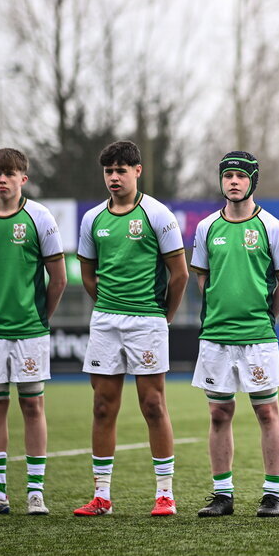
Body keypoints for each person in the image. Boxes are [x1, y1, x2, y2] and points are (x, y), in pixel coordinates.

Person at [74, 140, 188, 516]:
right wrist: (107, 305)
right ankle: (102, 496)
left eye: (122, 170)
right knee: (103, 406)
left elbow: (179, 274)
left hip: (148, 321)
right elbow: (88, 274)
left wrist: (164, 315)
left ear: (138, 171)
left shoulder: (158, 215)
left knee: (153, 404)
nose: (114, 177)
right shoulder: (92, 219)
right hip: (106, 321)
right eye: (109, 171)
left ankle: (165, 494)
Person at [0, 148, 66, 515]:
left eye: (9, 173)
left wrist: (41, 317)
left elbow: (59, 277)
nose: (2, 179)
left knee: (32, 405)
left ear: (23, 178)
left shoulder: (39, 217)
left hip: (30, 331)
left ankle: (35, 493)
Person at [191, 151, 279, 518]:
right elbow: (202, 278)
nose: (233, 181)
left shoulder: (272, 227)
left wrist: (265, 315)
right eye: (228, 176)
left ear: (253, 181)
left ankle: (272, 494)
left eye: (240, 176)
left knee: (267, 411)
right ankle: (223, 494)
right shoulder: (206, 228)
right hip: (216, 336)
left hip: (258, 336)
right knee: (219, 413)